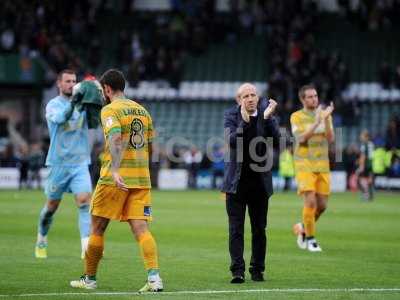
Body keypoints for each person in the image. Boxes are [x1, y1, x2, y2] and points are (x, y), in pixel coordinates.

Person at [70, 69, 163, 292]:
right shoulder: (142, 110)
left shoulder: (110, 110)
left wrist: (115, 169)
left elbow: (115, 138)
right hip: (141, 180)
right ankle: (154, 279)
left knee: (97, 228)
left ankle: (89, 279)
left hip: (115, 180)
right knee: (142, 230)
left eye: (103, 91)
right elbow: (151, 146)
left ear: (108, 89)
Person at [222, 83, 280, 283]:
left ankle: (257, 270)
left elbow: (279, 141)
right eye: (245, 95)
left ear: (258, 97)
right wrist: (245, 123)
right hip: (235, 184)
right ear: (239, 100)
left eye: (253, 94)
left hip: (259, 184)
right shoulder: (231, 116)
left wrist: (269, 118)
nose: (250, 98)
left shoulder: (267, 115)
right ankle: (237, 271)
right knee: (235, 230)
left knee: (259, 229)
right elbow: (232, 141)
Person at [35, 69, 93, 259]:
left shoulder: (82, 105)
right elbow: (61, 119)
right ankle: (42, 237)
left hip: (80, 163)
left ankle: (87, 248)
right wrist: (74, 103)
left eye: (74, 81)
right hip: (59, 164)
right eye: (67, 81)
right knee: (51, 207)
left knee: (84, 202)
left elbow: (94, 122)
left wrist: (95, 97)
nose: (71, 84)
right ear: (59, 84)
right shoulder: (52, 105)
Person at [291, 84, 334, 252]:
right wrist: (317, 122)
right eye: (309, 96)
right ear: (302, 99)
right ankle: (311, 239)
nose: (314, 99)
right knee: (310, 201)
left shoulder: (324, 116)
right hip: (304, 164)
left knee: (322, 206)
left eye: (315, 96)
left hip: (322, 165)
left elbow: (330, 139)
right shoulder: (296, 116)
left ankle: (303, 227)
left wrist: (326, 119)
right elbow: (301, 139)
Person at [357, 130, 374, 201]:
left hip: (365, 164)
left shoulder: (364, 145)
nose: (360, 137)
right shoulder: (371, 144)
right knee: (369, 180)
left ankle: (365, 195)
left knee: (360, 179)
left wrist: (361, 166)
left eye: (362, 136)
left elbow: (363, 156)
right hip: (371, 164)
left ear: (366, 137)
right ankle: (371, 195)